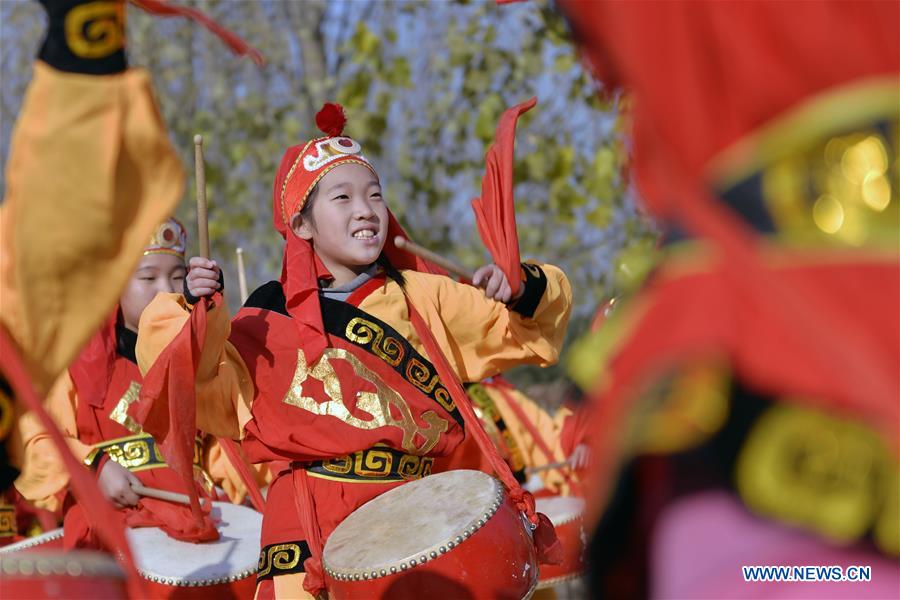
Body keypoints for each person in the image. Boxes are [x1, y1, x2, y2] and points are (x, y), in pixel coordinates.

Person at [133, 103, 572, 598]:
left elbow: (526, 332)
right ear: (301, 225)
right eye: (342, 198)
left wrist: (517, 288)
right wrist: (198, 308)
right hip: (308, 526)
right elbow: (191, 379)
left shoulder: (421, 296)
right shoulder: (264, 318)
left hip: (414, 514)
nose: (366, 210)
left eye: (375, 196)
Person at [12, 219, 225, 549]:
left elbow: (226, 449)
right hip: (110, 526)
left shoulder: (201, 364)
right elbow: (35, 438)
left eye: (178, 277)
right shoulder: (74, 363)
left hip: (199, 530)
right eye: (148, 277)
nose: (164, 289)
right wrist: (94, 467)